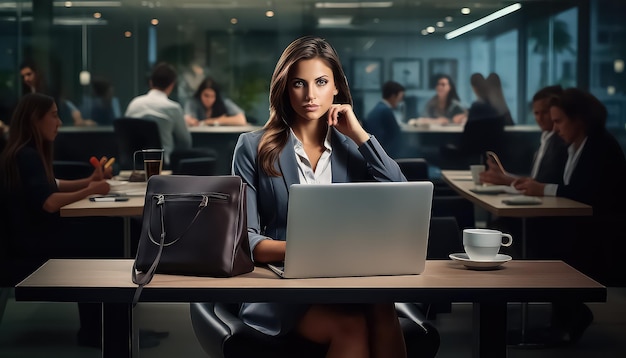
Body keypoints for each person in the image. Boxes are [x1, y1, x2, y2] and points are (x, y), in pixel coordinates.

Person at [232, 35, 408, 357]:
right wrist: (313, 251)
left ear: (336, 87)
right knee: (350, 325)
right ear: (285, 88)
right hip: (282, 288)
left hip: (346, 280)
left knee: (383, 306)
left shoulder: (354, 148)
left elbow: (400, 193)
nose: (311, 95)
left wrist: (359, 135)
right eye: (299, 83)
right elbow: (245, 239)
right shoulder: (253, 147)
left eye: (321, 82)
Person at [512, 88, 626, 345]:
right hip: (587, 225)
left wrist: (542, 189)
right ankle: (564, 317)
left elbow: (585, 193)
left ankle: (567, 317)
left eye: (559, 121)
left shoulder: (598, 146)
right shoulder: (577, 145)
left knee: (545, 243)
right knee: (539, 235)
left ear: (580, 120)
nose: (554, 127)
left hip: (605, 232)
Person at [0, 93, 112, 348]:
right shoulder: (26, 156)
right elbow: (48, 201)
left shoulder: (19, 152)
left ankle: (103, 327)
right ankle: (97, 332)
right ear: (34, 120)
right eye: (53, 115)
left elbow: (53, 184)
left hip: (27, 238)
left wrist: (89, 181)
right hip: (30, 245)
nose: (59, 122)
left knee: (102, 235)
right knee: (101, 245)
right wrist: (91, 191)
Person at [479, 85, 568, 185]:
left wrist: (507, 180)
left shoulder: (561, 142)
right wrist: (504, 176)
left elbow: (544, 184)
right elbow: (535, 180)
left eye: (545, 112)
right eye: (536, 113)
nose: (540, 118)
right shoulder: (546, 139)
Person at [124, 62, 192, 166]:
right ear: (171, 85)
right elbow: (185, 143)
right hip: (162, 165)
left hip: (132, 163)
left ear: (151, 82)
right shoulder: (173, 108)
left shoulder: (134, 104)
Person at [19, 60, 95, 127]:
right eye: (23, 76)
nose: (26, 79)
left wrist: (78, 116)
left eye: (29, 74)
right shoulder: (25, 93)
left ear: (36, 73)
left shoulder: (48, 91)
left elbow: (64, 104)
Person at [184, 76, 248, 126]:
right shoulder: (193, 103)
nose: (209, 100)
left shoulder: (223, 102)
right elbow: (188, 119)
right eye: (206, 96)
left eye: (212, 96)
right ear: (200, 94)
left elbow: (241, 120)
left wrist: (212, 121)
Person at [364, 81, 405, 157]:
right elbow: (396, 135)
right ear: (393, 96)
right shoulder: (386, 111)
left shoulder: (377, 109)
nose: (400, 101)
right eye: (400, 98)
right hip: (385, 152)